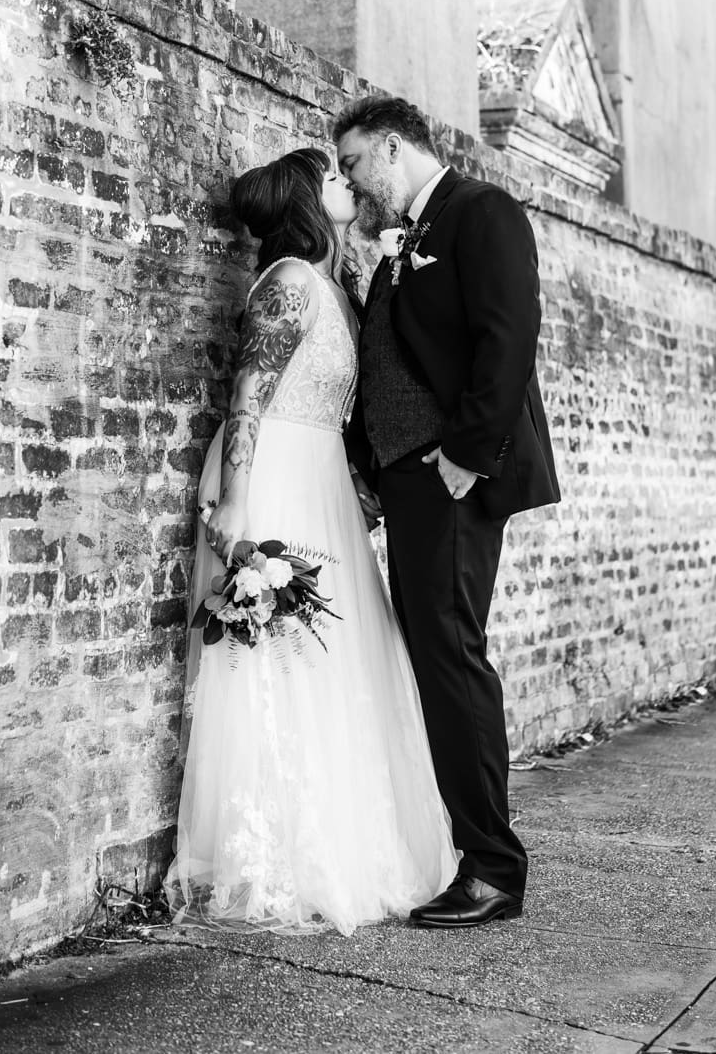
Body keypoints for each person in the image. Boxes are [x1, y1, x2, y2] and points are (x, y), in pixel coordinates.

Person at [166, 147, 457, 934]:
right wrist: (235, 499)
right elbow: (250, 395)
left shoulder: (335, 286)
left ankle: (346, 840)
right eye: (332, 178)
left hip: (323, 475)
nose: (347, 185)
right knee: (278, 658)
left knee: (341, 656)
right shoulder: (291, 282)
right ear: (305, 200)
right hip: (275, 476)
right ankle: (275, 857)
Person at [335, 96, 560, 929]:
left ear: (394, 147)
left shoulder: (481, 212)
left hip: (455, 478)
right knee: (435, 656)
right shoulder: (407, 236)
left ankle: (494, 868)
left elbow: (510, 336)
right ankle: (471, 851)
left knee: (452, 657)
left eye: (357, 163)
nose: (352, 182)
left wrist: (467, 453)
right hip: (412, 480)